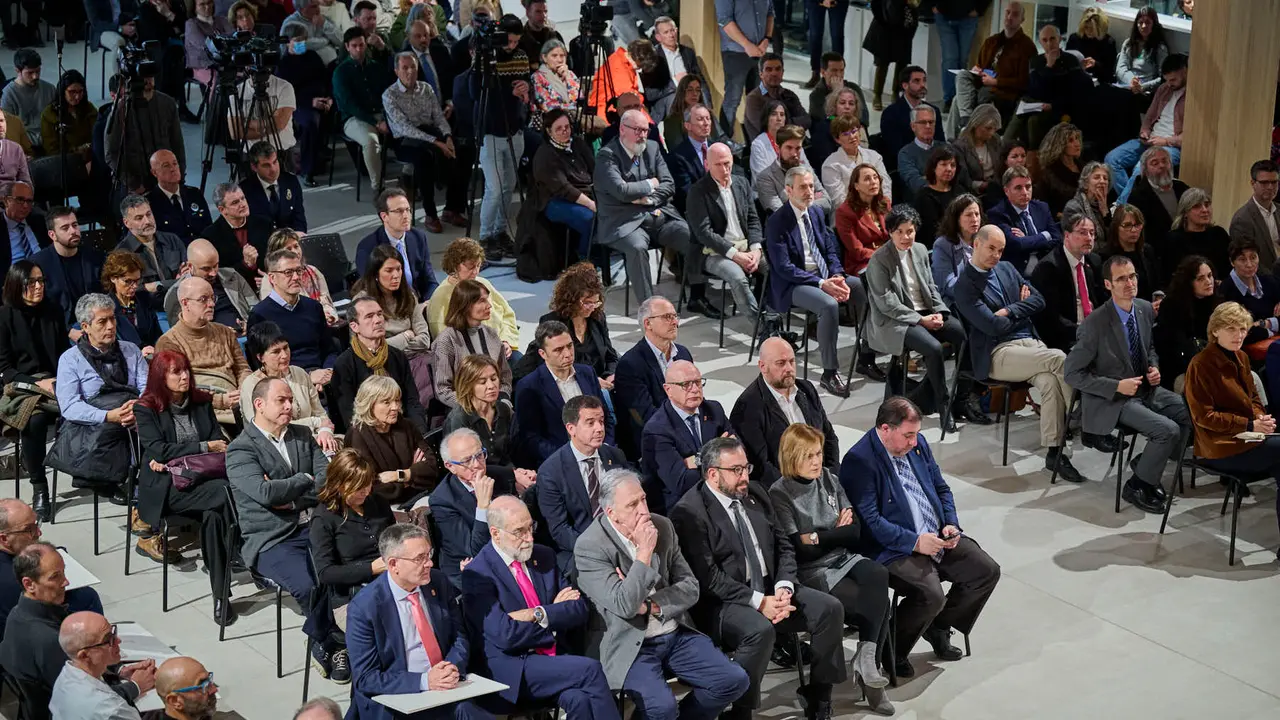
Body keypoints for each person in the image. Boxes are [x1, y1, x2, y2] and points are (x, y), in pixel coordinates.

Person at [670, 436, 847, 720]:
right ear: (713, 474)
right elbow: (708, 578)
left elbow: (783, 545)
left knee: (829, 608)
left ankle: (819, 696)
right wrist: (759, 602)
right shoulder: (689, 512)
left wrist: (784, 586)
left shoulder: (756, 492)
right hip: (725, 602)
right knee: (760, 630)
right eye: (736, 470)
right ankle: (741, 711)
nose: (744, 476)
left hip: (771, 588)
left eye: (746, 467)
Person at [841, 396, 1001, 680]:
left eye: (916, 434)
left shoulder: (918, 445)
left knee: (985, 571)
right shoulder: (860, 461)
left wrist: (950, 523)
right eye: (908, 435)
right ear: (885, 429)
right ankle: (893, 650)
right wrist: (915, 542)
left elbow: (941, 488)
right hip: (892, 548)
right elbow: (871, 522)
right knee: (930, 594)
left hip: (936, 534)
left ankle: (938, 626)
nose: (914, 442)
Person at [574, 468, 751, 718]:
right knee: (662, 708)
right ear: (611, 513)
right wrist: (644, 554)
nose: (644, 510)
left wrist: (650, 606)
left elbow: (690, 587)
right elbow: (625, 605)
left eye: (643, 499)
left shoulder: (662, 526)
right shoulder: (590, 546)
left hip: (674, 632)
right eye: (632, 505)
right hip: (629, 644)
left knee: (734, 681)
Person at [227, 378, 345, 681]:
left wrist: (291, 495)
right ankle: (329, 643)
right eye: (282, 400)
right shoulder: (240, 450)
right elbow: (265, 494)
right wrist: (304, 480)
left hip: (315, 525)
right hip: (272, 538)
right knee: (309, 586)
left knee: (350, 569)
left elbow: (326, 482)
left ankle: (341, 635)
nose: (290, 406)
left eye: (291, 400)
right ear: (259, 404)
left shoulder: (302, 435)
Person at [769, 424, 893, 710]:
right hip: (812, 570)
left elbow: (855, 531)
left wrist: (817, 536)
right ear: (792, 457)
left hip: (843, 557)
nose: (817, 461)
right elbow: (801, 550)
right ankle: (869, 681)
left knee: (878, 573)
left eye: (819, 454)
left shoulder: (828, 478)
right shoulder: (780, 493)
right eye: (809, 456)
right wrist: (835, 532)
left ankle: (866, 662)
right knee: (879, 605)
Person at [461, 495, 619, 717]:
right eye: (519, 531)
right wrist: (553, 616)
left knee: (579, 699)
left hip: (551, 660)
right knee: (590, 670)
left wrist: (537, 613)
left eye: (530, 527)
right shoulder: (478, 573)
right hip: (513, 668)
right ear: (495, 533)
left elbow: (578, 609)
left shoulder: (543, 556)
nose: (529, 537)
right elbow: (504, 636)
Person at [1065, 254, 1193, 511]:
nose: (1129, 283)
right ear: (1108, 284)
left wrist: (1154, 367)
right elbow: (1072, 373)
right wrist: (1115, 386)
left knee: (1193, 415)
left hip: (1146, 389)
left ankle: (1147, 464)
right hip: (1114, 399)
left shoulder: (1144, 309)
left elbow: (1150, 348)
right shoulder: (1095, 324)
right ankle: (1137, 486)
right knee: (1167, 430)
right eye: (1121, 279)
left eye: (1132, 276)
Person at [953, 225, 1080, 480]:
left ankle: (1055, 453)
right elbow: (992, 326)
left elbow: (1039, 301)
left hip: (1029, 343)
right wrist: (1022, 308)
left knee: (1049, 382)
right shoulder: (964, 286)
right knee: (1059, 358)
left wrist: (1011, 310)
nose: (996, 255)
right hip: (997, 353)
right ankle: (1084, 422)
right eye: (991, 248)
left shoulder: (1007, 268)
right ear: (976, 244)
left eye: (1000, 250)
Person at [346, 522, 493, 720]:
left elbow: (459, 635)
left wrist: (451, 667)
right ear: (393, 564)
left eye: (429, 554)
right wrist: (425, 681)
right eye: (419, 558)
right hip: (400, 697)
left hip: (446, 688)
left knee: (470, 712)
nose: (429, 563)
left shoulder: (438, 582)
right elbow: (366, 678)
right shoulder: (364, 607)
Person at [135, 350, 236, 620]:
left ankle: (221, 595)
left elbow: (218, 443)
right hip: (169, 487)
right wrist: (202, 447)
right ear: (160, 377)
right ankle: (240, 552)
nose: (184, 376)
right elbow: (158, 449)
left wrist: (183, 453)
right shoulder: (145, 408)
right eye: (176, 372)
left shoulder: (201, 402)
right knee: (225, 493)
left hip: (205, 480)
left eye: (186, 370)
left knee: (215, 514)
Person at [1, 544, 153, 720]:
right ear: (29, 584)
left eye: (63, 572)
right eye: (55, 577)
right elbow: (85, 699)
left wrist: (120, 670)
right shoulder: (49, 641)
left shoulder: (17, 614)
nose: (66, 582)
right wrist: (136, 686)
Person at [1184, 302, 1280, 539]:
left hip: (1247, 436)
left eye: (1242, 329)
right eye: (1231, 329)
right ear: (1215, 330)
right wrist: (1249, 424)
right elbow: (1204, 417)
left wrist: (1259, 416)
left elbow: (1253, 398)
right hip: (1219, 445)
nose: (1239, 335)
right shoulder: (1201, 364)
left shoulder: (1242, 357)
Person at [866, 206, 967, 426]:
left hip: (926, 312)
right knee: (933, 348)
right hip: (897, 320)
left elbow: (931, 286)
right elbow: (887, 304)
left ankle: (963, 397)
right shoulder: (879, 259)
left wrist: (939, 311)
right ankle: (943, 403)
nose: (906, 237)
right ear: (890, 232)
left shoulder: (920, 250)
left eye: (910, 231)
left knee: (962, 335)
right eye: (900, 232)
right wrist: (920, 320)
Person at [764, 165, 858, 397]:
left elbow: (829, 249)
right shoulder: (777, 221)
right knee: (828, 304)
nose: (809, 192)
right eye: (803, 187)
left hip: (822, 275)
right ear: (789, 190)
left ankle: (866, 352)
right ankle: (829, 372)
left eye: (811, 186)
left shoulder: (815, 213)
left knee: (859, 286)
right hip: (793, 284)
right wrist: (821, 283)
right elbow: (784, 267)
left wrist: (837, 275)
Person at [595, 108, 698, 307]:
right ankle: (649, 306)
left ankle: (697, 294)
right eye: (637, 130)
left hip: (658, 215)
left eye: (645, 130)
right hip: (625, 221)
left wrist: (648, 200)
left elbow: (669, 184)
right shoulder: (607, 156)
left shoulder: (652, 148)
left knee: (688, 235)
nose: (642, 135)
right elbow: (622, 191)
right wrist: (652, 183)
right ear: (622, 129)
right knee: (637, 247)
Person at [53, 293, 149, 505]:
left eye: (113, 319)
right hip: (97, 420)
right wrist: (108, 416)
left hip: (134, 412)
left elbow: (146, 387)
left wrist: (139, 406)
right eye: (102, 322)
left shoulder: (130, 350)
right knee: (111, 427)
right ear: (85, 327)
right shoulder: (71, 359)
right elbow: (69, 406)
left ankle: (147, 476)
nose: (111, 326)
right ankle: (109, 481)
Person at [535, 394, 629, 576]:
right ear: (571, 428)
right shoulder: (551, 472)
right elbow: (560, 530)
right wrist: (598, 549)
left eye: (601, 421)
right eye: (590, 423)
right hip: (582, 549)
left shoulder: (615, 456)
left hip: (623, 538)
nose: (599, 428)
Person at [0, 265, 65, 520]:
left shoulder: (53, 310)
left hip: (57, 381)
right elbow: (5, 369)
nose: (38, 286)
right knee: (34, 421)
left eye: (41, 280)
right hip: (22, 385)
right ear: (17, 284)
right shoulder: (4, 316)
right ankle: (40, 486)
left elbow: (63, 353)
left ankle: (98, 475)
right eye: (31, 282)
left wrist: (61, 379)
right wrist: (38, 384)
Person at [730, 337, 839, 489]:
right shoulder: (748, 407)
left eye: (792, 361)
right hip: (785, 492)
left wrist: (830, 477)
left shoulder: (806, 389)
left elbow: (829, 437)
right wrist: (797, 491)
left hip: (821, 481)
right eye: (781, 363)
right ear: (763, 367)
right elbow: (761, 466)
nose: (789, 368)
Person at [513, 320, 614, 469]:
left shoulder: (587, 373)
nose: (567, 354)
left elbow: (606, 417)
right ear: (543, 354)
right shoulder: (529, 386)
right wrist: (571, 457)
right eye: (558, 350)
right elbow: (531, 438)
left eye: (569, 346)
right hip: (561, 462)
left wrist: (605, 447)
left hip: (600, 454)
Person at [471, 16, 532, 258]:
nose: (512, 46)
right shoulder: (486, 58)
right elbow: (475, 93)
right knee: (494, 188)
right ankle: (485, 236)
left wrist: (526, 90)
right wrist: (510, 91)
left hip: (514, 129)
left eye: (517, 41)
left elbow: (525, 85)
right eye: (509, 41)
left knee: (508, 186)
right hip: (490, 131)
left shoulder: (521, 56)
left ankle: (500, 231)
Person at [310, 447, 396, 617]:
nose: (366, 491)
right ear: (339, 485)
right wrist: (370, 569)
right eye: (358, 487)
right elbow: (325, 573)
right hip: (352, 595)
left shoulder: (377, 502)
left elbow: (395, 538)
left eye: (368, 484)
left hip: (391, 580)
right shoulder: (324, 518)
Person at [639, 359, 733, 514]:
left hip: (721, 494)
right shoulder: (656, 430)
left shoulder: (714, 409)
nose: (695, 389)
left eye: (698, 382)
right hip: (681, 506)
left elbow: (738, 450)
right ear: (668, 390)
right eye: (686, 384)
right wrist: (721, 457)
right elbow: (682, 482)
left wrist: (696, 460)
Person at [688, 143, 768, 319]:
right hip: (713, 252)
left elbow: (753, 219)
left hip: (746, 247)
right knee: (737, 278)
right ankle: (761, 326)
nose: (724, 169)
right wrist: (735, 255)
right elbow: (704, 233)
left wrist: (756, 249)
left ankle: (765, 311)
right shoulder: (698, 191)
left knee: (773, 268)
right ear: (707, 165)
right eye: (718, 165)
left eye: (727, 163)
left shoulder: (742, 183)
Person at [331, 294, 430, 436]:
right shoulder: (344, 364)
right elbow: (349, 416)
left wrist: (419, 434)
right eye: (369, 316)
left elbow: (412, 401)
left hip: (402, 427)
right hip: (367, 435)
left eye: (379, 314)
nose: (378, 320)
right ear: (354, 326)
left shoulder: (397, 356)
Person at [383, 51, 456, 234]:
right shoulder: (389, 95)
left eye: (413, 67)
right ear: (396, 71)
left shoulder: (426, 88)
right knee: (425, 158)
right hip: (404, 140)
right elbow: (405, 128)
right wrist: (436, 142)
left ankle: (452, 208)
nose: (409, 72)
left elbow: (438, 117)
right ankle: (431, 214)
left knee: (457, 151)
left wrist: (447, 136)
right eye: (404, 68)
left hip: (429, 131)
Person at [155, 277, 251, 416]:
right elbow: (176, 390)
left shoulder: (224, 332)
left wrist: (244, 390)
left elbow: (242, 369)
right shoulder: (169, 342)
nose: (212, 304)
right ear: (185, 303)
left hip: (238, 402)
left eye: (213, 298)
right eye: (203, 299)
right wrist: (219, 401)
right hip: (200, 411)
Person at [429, 427, 513, 585]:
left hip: (509, 552)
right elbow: (475, 550)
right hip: (468, 569)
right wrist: (483, 507)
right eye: (467, 461)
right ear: (450, 466)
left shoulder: (498, 475)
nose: (477, 465)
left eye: (480, 455)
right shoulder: (442, 500)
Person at [0, 499, 103, 627]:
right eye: (29, 530)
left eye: (37, 524)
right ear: (4, 538)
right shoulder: (13, 580)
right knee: (87, 596)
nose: (39, 533)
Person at [613, 296, 692, 462]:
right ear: (647, 323)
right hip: (654, 444)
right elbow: (646, 417)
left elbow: (695, 397)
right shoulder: (630, 365)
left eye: (675, 316)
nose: (675, 322)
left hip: (685, 431)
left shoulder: (683, 354)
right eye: (667, 317)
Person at [240, 321, 338, 452]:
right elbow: (268, 429)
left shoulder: (300, 374)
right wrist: (315, 422)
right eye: (276, 352)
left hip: (315, 440)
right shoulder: (252, 386)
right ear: (261, 357)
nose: (284, 355)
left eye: (286, 348)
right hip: (276, 449)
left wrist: (325, 431)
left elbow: (321, 415)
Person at [1105, 54, 1188, 202]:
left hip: (1172, 146)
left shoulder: (1193, 96)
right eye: (1167, 80)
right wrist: (1145, 131)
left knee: (1141, 168)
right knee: (1111, 159)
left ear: (1184, 71)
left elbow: (1191, 137)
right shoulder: (1163, 89)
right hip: (1150, 139)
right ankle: (1133, 202)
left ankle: (1122, 206)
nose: (1169, 84)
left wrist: (1166, 141)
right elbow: (1149, 117)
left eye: (1173, 80)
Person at [443, 355, 530, 487]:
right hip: (477, 481)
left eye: (494, 379)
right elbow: (468, 467)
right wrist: (513, 475)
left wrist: (524, 472)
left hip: (510, 475)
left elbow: (516, 451)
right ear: (468, 385)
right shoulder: (458, 419)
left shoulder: (504, 410)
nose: (491, 386)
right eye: (482, 382)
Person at [348, 375, 439, 502]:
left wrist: (399, 475)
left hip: (422, 495)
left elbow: (432, 467)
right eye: (387, 402)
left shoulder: (407, 425)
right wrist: (412, 476)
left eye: (397, 400)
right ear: (369, 404)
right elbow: (371, 487)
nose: (395, 407)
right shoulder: (357, 436)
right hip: (386, 506)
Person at [49, 612, 153, 720]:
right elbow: (103, 704)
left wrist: (123, 673)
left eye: (113, 632)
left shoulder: (66, 675)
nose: (118, 640)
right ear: (84, 655)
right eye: (109, 639)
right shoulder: (114, 711)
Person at [248, 249, 337, 373]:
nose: (296, 277)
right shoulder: (259, 315)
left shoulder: (314, 307)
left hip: (322, 374)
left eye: (299, 271)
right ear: (272, 278)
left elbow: (329, 350)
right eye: (288, 272)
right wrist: (307, 376)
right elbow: (262, 366)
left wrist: (329, 370)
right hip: (288, 379)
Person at [1028, 213, 1102, 354]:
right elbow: (1051, 319)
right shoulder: (1049, 267)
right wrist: (1084, 333)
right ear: (1067, 235)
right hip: (1066, 338)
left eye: (1092, 233)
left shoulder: (1094, 261)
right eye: (1082, 233)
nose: (1089, 238)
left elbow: (1102, 300)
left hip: (1094, 332)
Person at [334, 27, 396, 195]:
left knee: (407, 129)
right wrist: (376, 122)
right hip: (354, 118)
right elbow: (350, 105)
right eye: (354, 46)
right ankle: (378, 187)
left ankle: (409, 176)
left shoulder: (375, 67)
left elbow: (387, 93)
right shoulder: (341, 72)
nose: (359, 49)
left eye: (361, 45)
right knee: (370, 141)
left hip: (379, 114)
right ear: (347, 47)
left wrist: (386, 117)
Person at [426, 238, 519, 350]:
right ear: (455, 265)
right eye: (471, 266)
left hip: (500, 346)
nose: (475, 272)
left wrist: (506, 340)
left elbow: (507, 314)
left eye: (478, 265)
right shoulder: (441, 296)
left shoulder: (484, 283)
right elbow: (444, 341)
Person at [1005, 28, 1090, 149]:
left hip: (1058, 106)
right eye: (1045, 40)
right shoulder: (1036, 61)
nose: (1049, 44)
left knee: (1033, 121)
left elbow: (1076, 92)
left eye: (1052, 39)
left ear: (1059, 39)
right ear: (1040, 42)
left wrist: (1053, 105)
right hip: (1037, 103)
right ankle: (1004, 149)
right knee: (1020, 112)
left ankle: (1034, 155)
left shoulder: (1070, 60)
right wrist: (1049, 66)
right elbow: (1035, 90)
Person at [540, 262, 621, 389]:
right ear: (571, 299)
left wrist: (610, 375)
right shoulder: (551, 322)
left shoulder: (598, 318)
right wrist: (592, 381)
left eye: (596, 302)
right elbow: (555, 367)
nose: (592, 308)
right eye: (587, 303)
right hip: (571, 384)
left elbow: (610, 355)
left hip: (603, 382)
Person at [433, 280, 512, 408]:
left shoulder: (492, 335)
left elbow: (505, 377)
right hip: (464, 409)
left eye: (487, 300)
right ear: (465, 305)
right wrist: (474, 405)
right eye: (482, 301)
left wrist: (502, 400)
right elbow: (443, 390)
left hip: (495, 404)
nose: (489, 305)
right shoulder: (446, 340)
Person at [530, 107, 596, 260]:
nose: (564, 131)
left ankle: (600, 250)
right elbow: (563, 188)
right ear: (549, 131)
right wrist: (591, 204)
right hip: (556, 200)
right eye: (558, 128)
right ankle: (585, 256)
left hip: (587, 192)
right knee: (590, 218)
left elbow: (595, 169)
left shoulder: (578, 143)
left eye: (567, 127)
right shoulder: (545, 154)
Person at [278, 23, 338, 189]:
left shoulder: (312, 56)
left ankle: (322, 156)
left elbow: (325, 79)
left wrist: (329, 98)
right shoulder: (284, 65)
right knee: (311, 122)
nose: (301, 43)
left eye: (304, 40)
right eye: (297, 40)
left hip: (322, 99)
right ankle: (307, 170)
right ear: (288, 42)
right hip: (300, 104)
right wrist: (310, 102)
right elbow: (286, 94)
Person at [356, 188, 441, 303]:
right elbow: (371, 290)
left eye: (408, 210)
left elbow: (429, 280)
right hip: (387, 305)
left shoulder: (418, 237)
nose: (406, 216)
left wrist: (429, 303)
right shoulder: (367, 248)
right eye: (399, 211)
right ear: (384, 216)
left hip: (418, 302)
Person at [104, 76, 185, 192]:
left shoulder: (167, 103)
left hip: (167, 181)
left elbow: (177, 145)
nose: (148, 80)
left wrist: (179, 176)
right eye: (144, 76)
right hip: (136, 185)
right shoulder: (122, 108)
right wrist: (133, 184)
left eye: (150, 76)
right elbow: (111, 153)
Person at [1153, 256, 1220, 391]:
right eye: (1200, 278)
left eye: (1209, 276)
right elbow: (1177, 352)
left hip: (1214, 364)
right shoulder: (1172, 306)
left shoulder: (1216, 300)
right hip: (1182, 371)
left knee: (1251, 377)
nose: (1208, 282)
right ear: (1188, 283)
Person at [352, 245, 430, 360]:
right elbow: (368, 349)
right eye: (389, 271)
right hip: (379, 364)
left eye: (398, 269)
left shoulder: (409, 296)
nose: (396, 275)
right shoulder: (362, 303)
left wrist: (388, 347)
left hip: (413, 359)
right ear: (376, 274)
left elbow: (424, 340)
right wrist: (406, 336)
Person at [32, 206, 105, 326]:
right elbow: (38, 307)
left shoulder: (95, 257)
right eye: (65, 228)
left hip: (96, 322)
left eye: (75, 225)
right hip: (59, 328)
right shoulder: (38, 264)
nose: (73, 231)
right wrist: (68, 330)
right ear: (52, 235)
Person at [163, 239, 256, 331]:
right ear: (190, 266)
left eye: (215, 266)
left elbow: (255, 307)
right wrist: (220, 335)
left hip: (247, 333)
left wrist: (249, 325)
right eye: (206, 269)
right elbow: (182, 333)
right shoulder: (176, 294)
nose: (213, 273)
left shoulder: (232, 276)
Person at [986, 165, 1061, 274]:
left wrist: (1027, 239)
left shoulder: (1041, 207)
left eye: (1028, 186)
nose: (1025, 192)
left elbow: (1057, 238)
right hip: (1020, 274)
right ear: (1006, 191)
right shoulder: (998, 214)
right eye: (1018, 188)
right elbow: (1017, 244)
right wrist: (1045, 235)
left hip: (1048, 269)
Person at [715, 0, 773, 139]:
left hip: (759, 52)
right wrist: (747, 45)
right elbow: (724, 20)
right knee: (733, 99)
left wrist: (767, 38)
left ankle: (756, 140)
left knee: (758, 99)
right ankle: (725, 141)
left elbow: (770, 13)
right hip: (735, 52)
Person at [258, 229, 340, 326]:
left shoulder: (313, 271)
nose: (295, 251)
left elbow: (326, 301)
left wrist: (328, 315)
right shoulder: (270, 280)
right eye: (289, 249)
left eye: (296, 246)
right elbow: (272, 315)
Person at [968, 1, 1036, 119]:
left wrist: (996, 82)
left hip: (1005, 92)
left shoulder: (1027, 47)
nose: (1009, 17)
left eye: (1015, 14)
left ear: (1022, 19)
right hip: (983, 82)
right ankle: (964, 122)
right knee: (962, 80)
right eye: (1007, 12)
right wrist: (976, 69)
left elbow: (1023, 82)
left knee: (984, 95)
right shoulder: (991, 41)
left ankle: (970, 123)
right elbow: (980, 65)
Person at [201, 182, 273, 288]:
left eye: (243, 198)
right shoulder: (210, 237)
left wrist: (270, 279)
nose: (243, 204)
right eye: (235, 202)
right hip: (234, 292)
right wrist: (245, 264)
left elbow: (276, 258)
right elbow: (218, 276)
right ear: (222, 210)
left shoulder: (264, 224)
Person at [1126, 145, 1188, 260]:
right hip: (1157, 256)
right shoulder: (1138, 196)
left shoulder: (1183, 188)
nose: (1162, 166)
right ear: (1145, 171)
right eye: (1155, 163)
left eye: (1165, 161)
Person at [116, 195, 185, 296]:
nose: (147, 221)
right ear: (127, 223)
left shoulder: (172, 240)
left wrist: (155, 286)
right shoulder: (122, 254)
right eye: (139, 218)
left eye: (149, 214)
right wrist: (175, 283)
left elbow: (187, 277)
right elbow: (129, 290)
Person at [755, 125, 829, 217]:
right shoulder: (766, 177)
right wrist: (809, 201)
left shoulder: (807, 170)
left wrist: (794, 204)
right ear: (778, 149)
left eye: (798, 148)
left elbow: (826, 201)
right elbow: (779, 213)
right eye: (789, 148)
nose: (794, 154)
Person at [1165, 188, 1232, 284]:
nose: (1205, 210)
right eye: (1197, 206)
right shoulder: (1174, 239)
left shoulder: (1219, 234)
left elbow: (1231, 266)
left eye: (1207, 205)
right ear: (1185, 213)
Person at [863, 1, 920, 114]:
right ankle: (877, 95)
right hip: (886, 27)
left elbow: (916, 7)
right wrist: (882, 19)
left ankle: (896, 93)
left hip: (905, 27)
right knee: (882, 63)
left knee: (902, 62)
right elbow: (875, 4)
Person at [821, 114, 889, 209]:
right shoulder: (830, 165)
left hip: (878, 208)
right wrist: (865, 212)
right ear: (837, 139)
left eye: (854, 131)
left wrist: (882, 207)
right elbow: (839, 199)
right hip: (849, 214)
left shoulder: (874, 156)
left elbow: (886, 185)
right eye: (845, 134)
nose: (852, 136)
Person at [100, 250, 162, 354]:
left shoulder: (144, 299)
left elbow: (157, 334)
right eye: (128, 281)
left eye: (137, 280)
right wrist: (139, 353)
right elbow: (109, 346)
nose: (135, 286)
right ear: (113, 278)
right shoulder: (105, 308)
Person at [879, 65, 944, 163]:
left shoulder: (934, 110)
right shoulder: (891, 113)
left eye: (924, 80)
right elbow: (895, 149)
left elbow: (940, 143)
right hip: (904, 163)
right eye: (917, 81)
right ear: (905, 85)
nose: (922, 85)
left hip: (933, 162)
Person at [146, 150, 212, 244]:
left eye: (175, 164)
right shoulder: (150, 203)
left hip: (203, 247)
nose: (173, 169)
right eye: (166, 166)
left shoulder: (194, 194)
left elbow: (209, 227)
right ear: (154, 172)